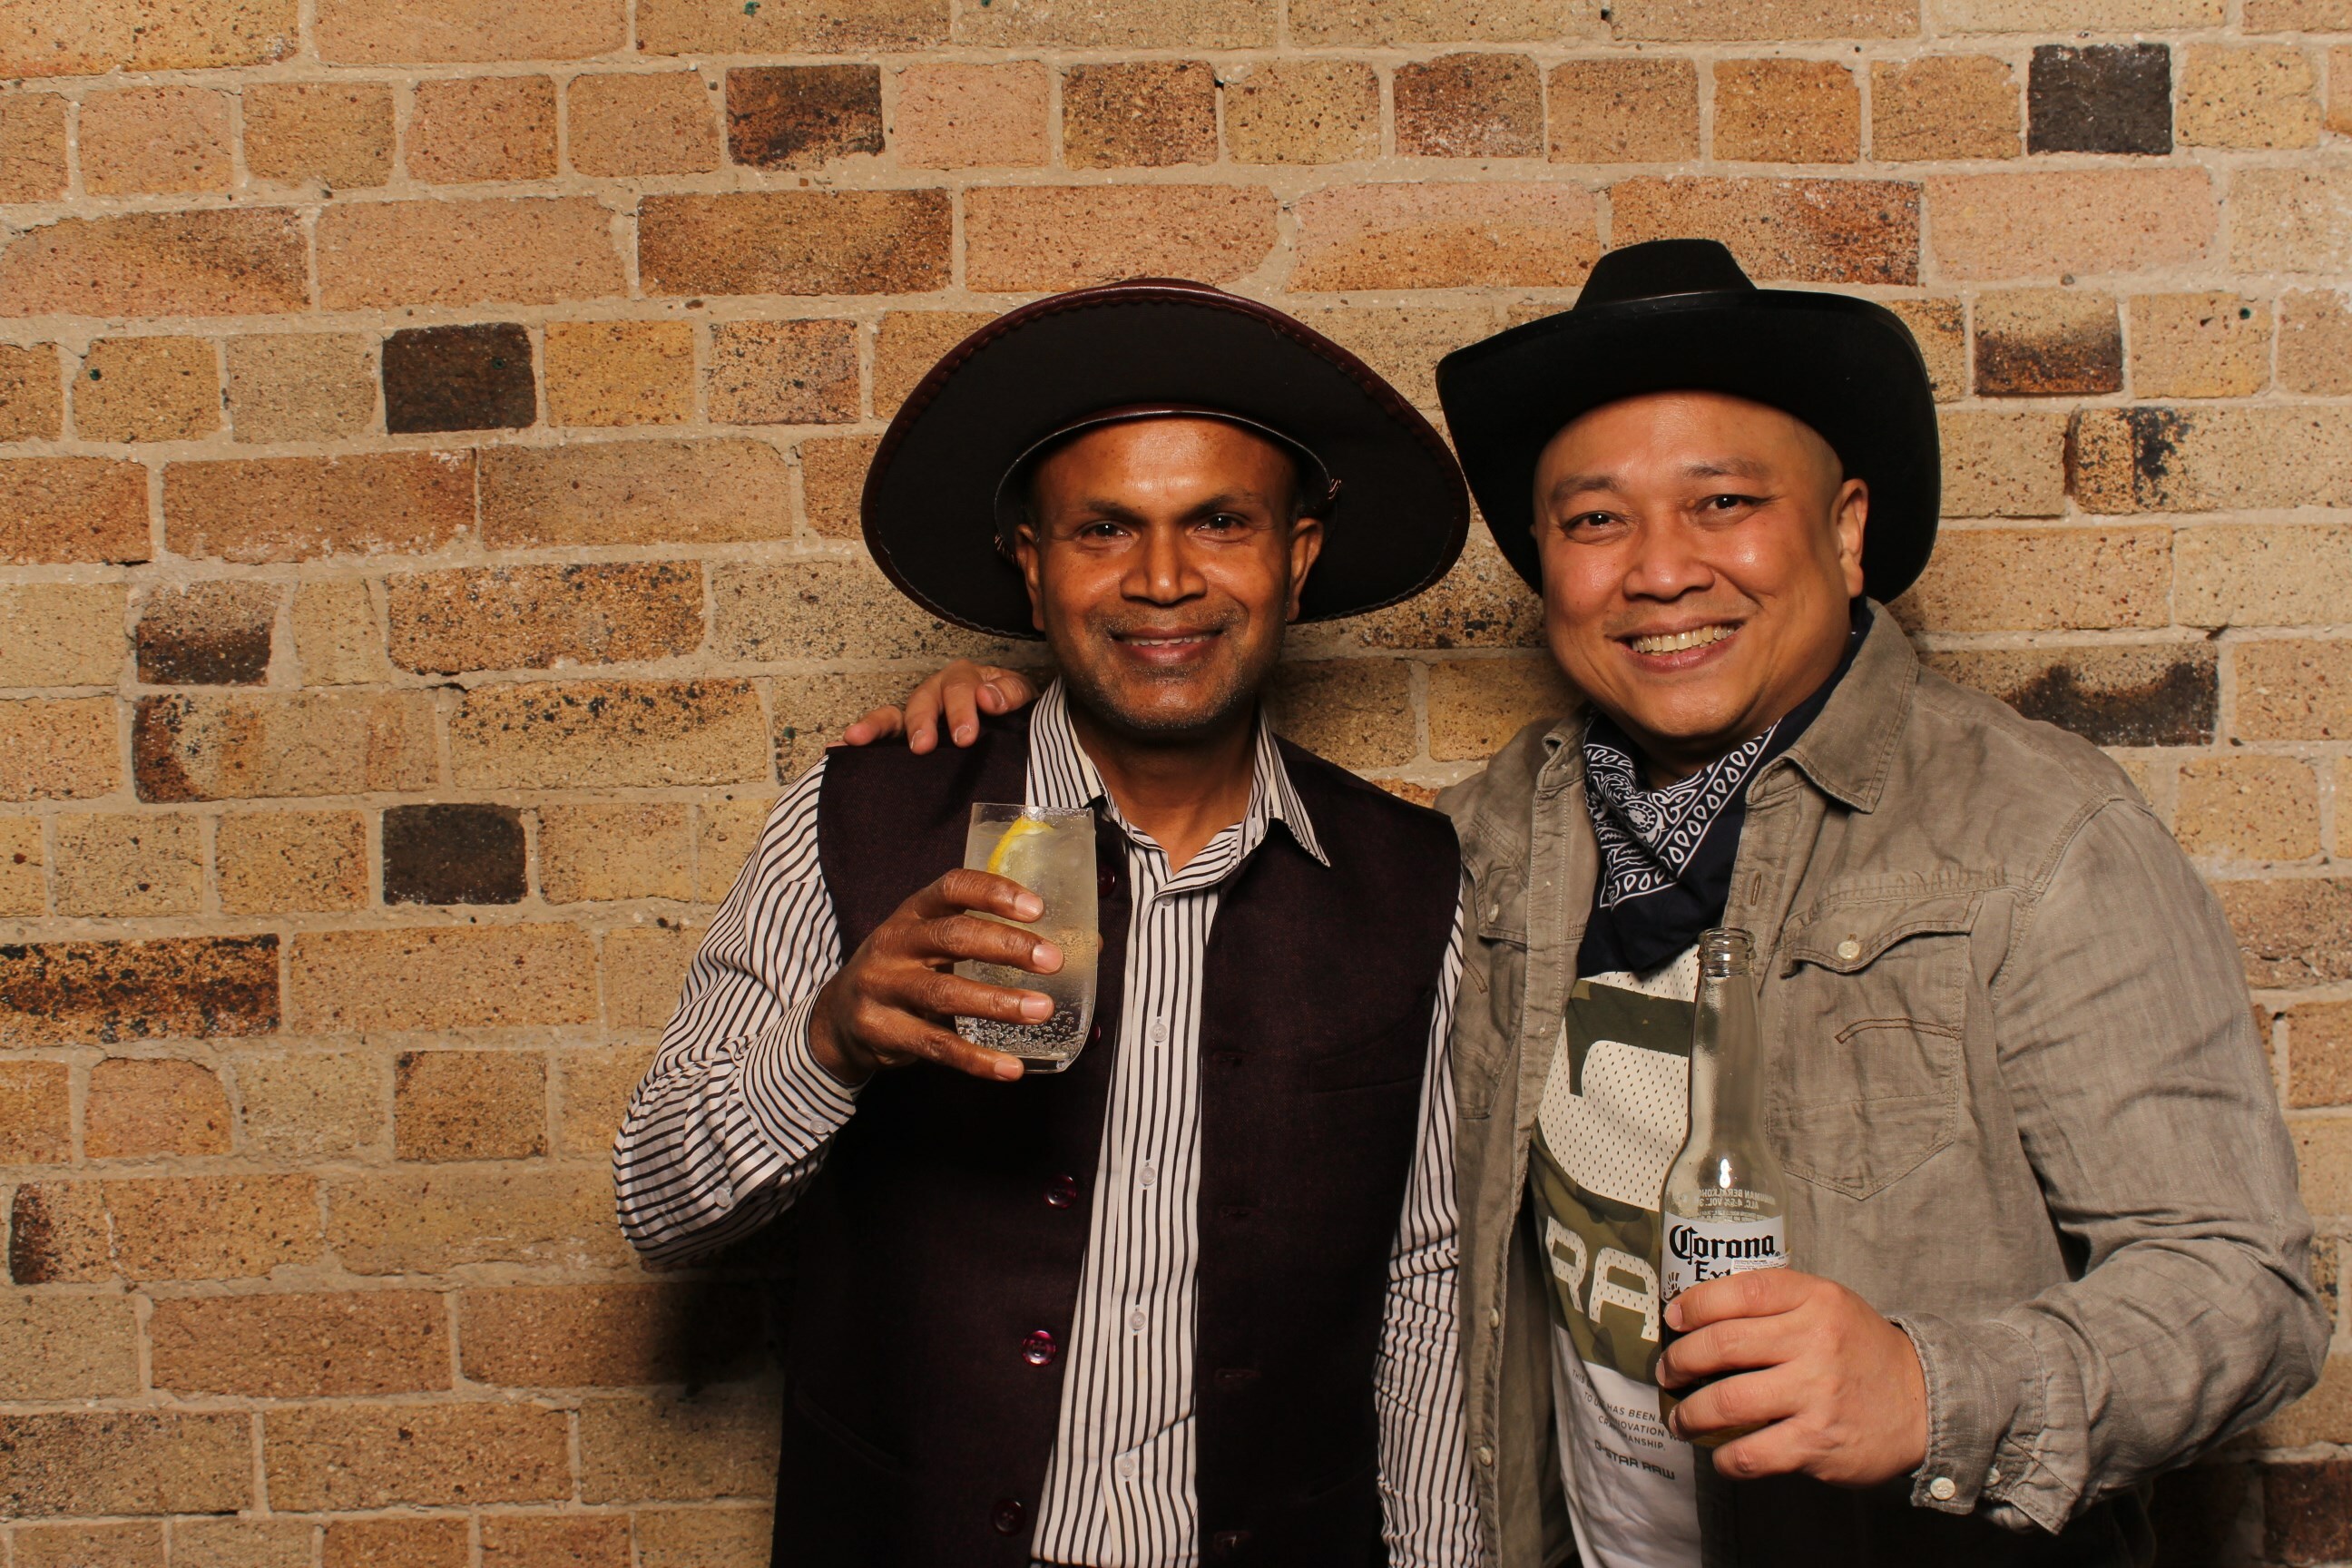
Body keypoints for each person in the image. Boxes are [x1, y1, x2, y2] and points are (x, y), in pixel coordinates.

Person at [857, 240, 2327, 1568]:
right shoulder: (1490, 841)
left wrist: (1935, 1390)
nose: (1662, 570)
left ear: (1847, 531)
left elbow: (2246, 1290)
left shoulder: (2039, 834)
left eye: (1725, 503)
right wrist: (1028, 724)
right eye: (1595, 520)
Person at [612, 279, 1487, 1566]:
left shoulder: (1412, 881)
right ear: (1033, 569)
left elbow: (1425, 1288)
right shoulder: (863, 814)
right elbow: (659, 1202)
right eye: (1103, 530)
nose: (1164, 579)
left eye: (1219, 522)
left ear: (1296, 559)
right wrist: (828, 1044)